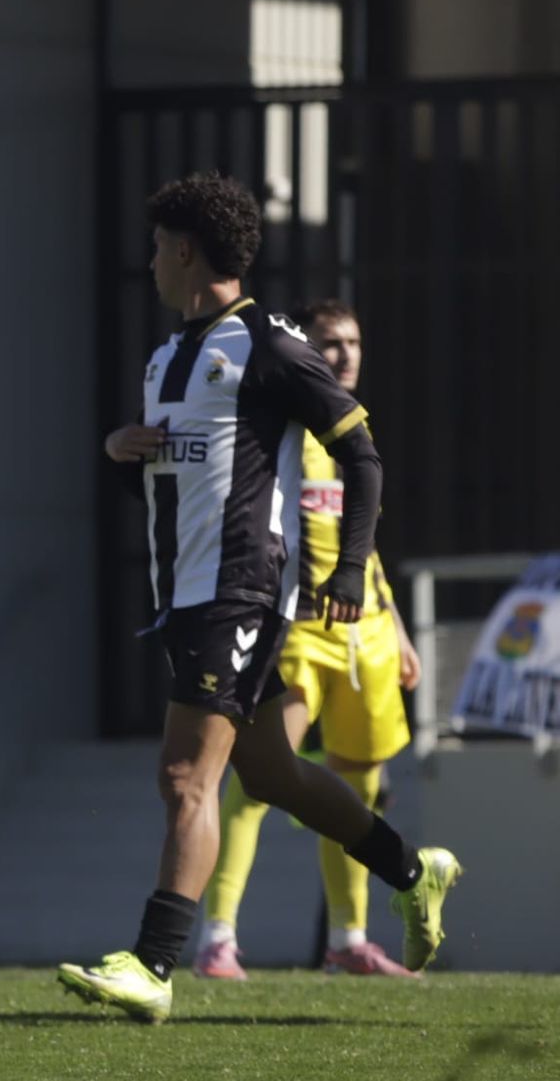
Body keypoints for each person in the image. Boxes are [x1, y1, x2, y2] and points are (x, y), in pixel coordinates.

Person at [57, 173, 460, 1024]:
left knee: (183, 777)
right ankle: (415, 871)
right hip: (188, 596)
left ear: (185, 251)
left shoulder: (270, 344)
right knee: (271, 772)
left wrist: (349, 572)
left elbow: (363, 456)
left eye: (158, 246)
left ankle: (155, 964)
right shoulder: (167, 356)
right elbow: (179, 486)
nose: (151, 262)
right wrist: (125, 453)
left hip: (241, 587)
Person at [195, 300, 422, 980]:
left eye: (354, 340)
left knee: (360, 788)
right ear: (305, 350)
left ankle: (349, 938)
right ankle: (217, 935)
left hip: (368, 634)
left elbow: (366, 548)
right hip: (297, 628)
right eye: (331, 341)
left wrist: (401, 630)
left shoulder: (356, 437)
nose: (345, 352)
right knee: (259, 777)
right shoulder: (281, 427)